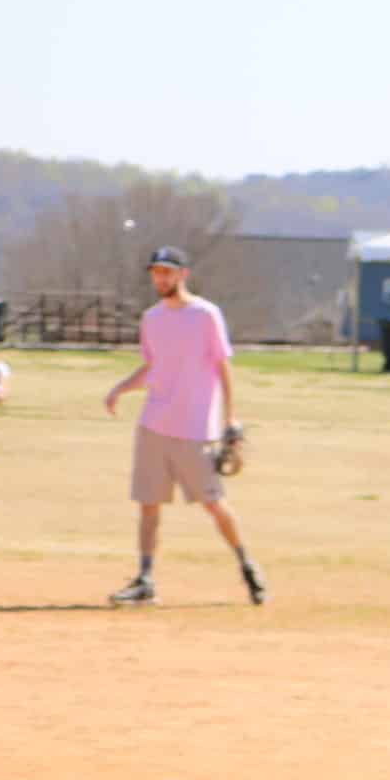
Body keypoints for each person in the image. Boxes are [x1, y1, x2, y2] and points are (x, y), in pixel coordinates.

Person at [102, 247, 267, 607]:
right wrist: (120, 389)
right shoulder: (152, 319)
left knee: (213, 503)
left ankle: (246, 565)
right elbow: (152, 367)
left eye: (168, 272)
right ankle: (145, 579)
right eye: (156, 272)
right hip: (153, 424)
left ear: (183, 275)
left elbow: (223, 367)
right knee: (148, 504)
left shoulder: (206, 315)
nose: (161, 278)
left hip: (194, 429)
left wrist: (229, 419)